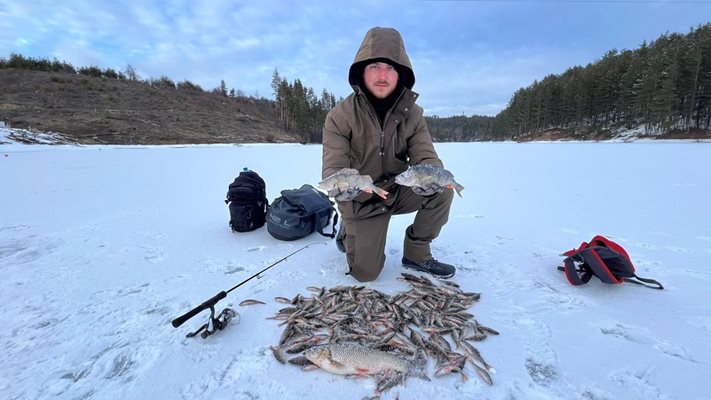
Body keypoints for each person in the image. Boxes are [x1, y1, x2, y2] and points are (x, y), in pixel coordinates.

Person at [321, 27, 457, 282]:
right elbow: (334, 165)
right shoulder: (340, 116)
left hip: (398, 188)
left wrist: (430, 176)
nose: (383, 75)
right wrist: (341, 185)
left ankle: (416, 254)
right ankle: (348, 228)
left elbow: (425, 154)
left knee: (443, 187)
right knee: (365, 273)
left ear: (401, 74)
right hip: (361, 196)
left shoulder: (414, 114)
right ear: (361, 70)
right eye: (375, 66)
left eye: (391, 68)